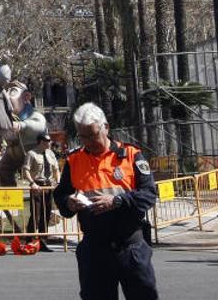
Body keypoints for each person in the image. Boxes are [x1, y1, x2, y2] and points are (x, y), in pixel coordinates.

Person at [56, 102, 158, 300]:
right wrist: (68, 202)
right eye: (83, 136)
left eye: (93, 135)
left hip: (131, 247)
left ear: (106, 127)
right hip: (95, 249)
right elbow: (60, 195)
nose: (89, 141)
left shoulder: (130, 156)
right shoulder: (73, 161)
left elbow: (149, 194)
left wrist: (117, 201)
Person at [25, 132, 59, 251]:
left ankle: (42, 241)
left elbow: (56, 169)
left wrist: (57, 181)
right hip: (37, 186)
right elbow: (26, 170)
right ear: (41, 142)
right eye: (47, 141)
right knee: (36, 214)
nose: (50, 143)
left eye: (49, 141)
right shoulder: (31, 154)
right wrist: (32, 183)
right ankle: (29, 240)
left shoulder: (51, 154)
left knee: (46, 214)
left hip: (49, 187)